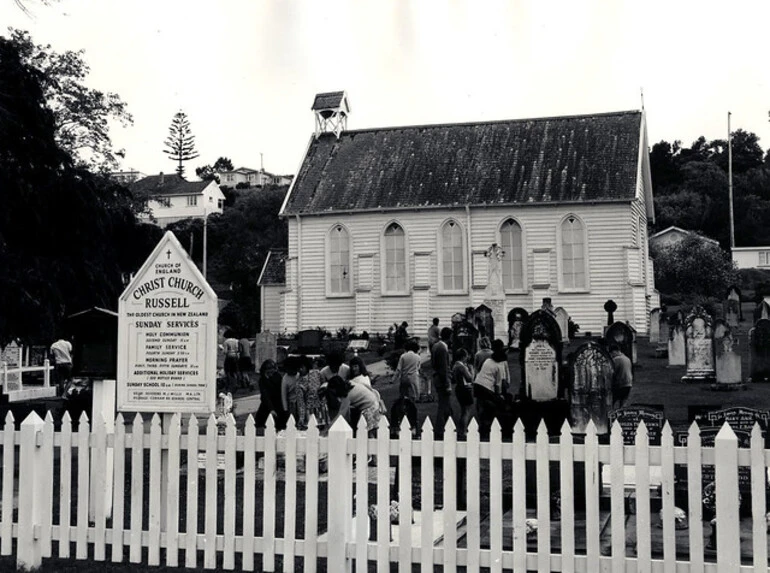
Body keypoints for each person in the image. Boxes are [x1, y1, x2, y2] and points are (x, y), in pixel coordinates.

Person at [473, 339, 510, 435]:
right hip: (487, 387)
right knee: (496, 405)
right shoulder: (500, 366)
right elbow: (498, 384)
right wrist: (500, 395)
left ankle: (481, 426)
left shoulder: (488, 360)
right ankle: (491, 425)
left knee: (481, 405)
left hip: (478, 384)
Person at [431, 327, 454, 437]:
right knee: (443, 405)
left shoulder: (436, 345)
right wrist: (447, 383)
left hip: (437, 377)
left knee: (446, 405)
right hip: (441, 379)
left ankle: (448, 425)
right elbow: (443, 368)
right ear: (449, 337)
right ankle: (439, 430)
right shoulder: (442, 348)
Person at [254, 359, 286, 429]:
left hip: (278, 404)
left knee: (280, 424)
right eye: (268, 371)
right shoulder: (262, 380)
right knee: (260, 423)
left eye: (272, 370)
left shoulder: (278, 377)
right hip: (266, 405)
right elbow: (265, 395)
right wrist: (271, 409)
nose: (271, 373)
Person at [452, 348, 475, 439]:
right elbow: (470, 378)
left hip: (459, 388)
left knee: (463, 410)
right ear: (463, 357)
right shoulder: (462, 367)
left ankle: (461, 430)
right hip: (465, 389)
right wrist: (472, 370)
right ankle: (463, 430)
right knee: (466, 411)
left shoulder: (455, 366)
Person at [280, 356, 302, 430]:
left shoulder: (299, 375)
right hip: (291, 403)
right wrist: (285, 409)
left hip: (300, 401)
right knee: (292, 420)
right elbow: (284, 396)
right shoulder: (285, 379)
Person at [610, 344, 633, 409]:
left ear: (614, 351)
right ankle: (622, 415)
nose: (611, 355)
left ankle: (611, 415)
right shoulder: (627, 358)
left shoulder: (616, 359)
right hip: (628, 383)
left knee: (612, 400)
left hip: (620, 384)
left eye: (611, 353)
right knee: (623, 402)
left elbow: (612, 372)